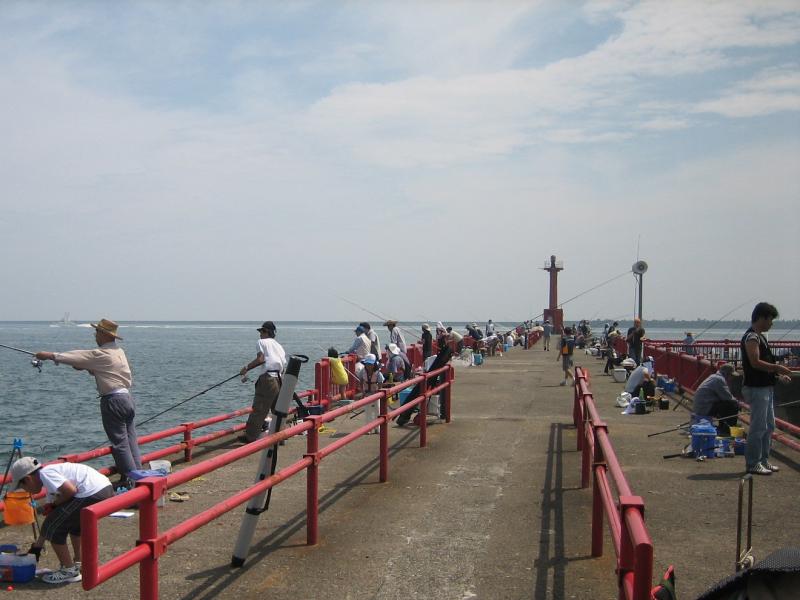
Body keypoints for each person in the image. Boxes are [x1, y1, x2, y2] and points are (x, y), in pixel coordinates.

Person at [34, 318, 141, 485]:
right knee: (130, 440)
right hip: (127, 398)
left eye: (97, 332)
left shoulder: (101, 353)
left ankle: (132, 482)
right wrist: (86, 367)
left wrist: (48, 355)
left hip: (113, 401)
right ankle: (140, 477)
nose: (95, 335)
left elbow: (78, 356)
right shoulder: (119, 352)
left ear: (104, 335)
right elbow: (103, 369)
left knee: (120, 444)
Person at [11, 456, 114, 584]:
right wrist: (38, 546)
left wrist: (54, 505)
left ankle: (69, 571)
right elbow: (51, 520)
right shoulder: (50, 478)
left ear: (28, 479)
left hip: (90, 492)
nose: (26, 491)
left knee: (57, 531)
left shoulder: (46, 474)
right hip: (105, 488)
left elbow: (70, 491)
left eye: (23, 487)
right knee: (74, 525)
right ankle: (79, 563)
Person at [741, 302, 793, 476]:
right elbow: (755, 363)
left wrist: (777, 375)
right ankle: (753, 463)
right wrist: (778, 368)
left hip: (765, 387)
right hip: (756, 388)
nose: (772, 323)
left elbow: (764, 364)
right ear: (762, 318)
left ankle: (763, 460)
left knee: (769, 425)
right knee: (758, 426)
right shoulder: (752, 337)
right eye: (770, 319)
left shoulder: (760, 336)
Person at [239, 321, 287, 443]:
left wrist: (246, 368)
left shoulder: (261, 342)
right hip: (279, 378)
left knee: (259, 409)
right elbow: (283, 364)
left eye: (261, 331)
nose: (260, 334)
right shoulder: (279, 346)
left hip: (268, 379)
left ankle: (250, 437)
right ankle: (280, 436)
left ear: (267, 332)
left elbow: (261, 359)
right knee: (277, 410)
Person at [692, 364, 739, 437]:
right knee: (733, 405)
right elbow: (728, 397)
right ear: (726, 374)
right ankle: (727, 430)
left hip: (701, 406)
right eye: (731, 375)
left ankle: (723, 427)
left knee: (726, 405)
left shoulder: (714, 377)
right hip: (705, 408)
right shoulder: (719, 380)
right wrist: (738, 402)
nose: (731, 378)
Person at [357, 354, 384, 434]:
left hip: (376, 394)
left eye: (370, 364)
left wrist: (379, 393)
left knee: (377, 411)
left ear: (374, 364)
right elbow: (361, 380)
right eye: (367, 364)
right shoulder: (363, 371)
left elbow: (380, 383)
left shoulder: (378, 373)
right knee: (368, 411)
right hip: (367, 394)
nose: (369, 366)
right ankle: (368, 429)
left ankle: (377, 427)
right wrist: (362, 391)